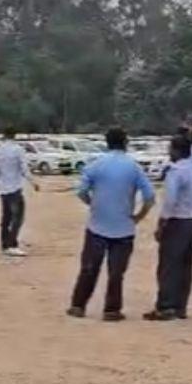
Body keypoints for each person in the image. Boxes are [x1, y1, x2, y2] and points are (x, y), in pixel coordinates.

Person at [66, 128, 154, 321]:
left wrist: (93, 204)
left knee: (89, 268)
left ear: (107, 143)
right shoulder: (134, 167)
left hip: (97, 224)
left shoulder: (96, 165)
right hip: (124, 228)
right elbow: (150, 197)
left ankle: (78, 305)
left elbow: (81, 191)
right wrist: (138, 216)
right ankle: (111, 310)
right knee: (116, 273)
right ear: (125, 143)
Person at [144, 135, 192, 321]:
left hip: (177, 221)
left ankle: (165, 306)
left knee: (169, 264)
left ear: (176, 151)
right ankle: (180, 306)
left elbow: (170, 201)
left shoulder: (175, 172)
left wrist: (162, 223)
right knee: (186, 265)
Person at [0, 127, 39, 256]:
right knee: (18, 217)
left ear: (3, 135)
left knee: (6, 217)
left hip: (3, 189)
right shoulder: (18, 150)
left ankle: (5, 244)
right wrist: (33, 182)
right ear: (14, 136)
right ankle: (12, 244)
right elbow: (24, 168)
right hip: (15, 188)